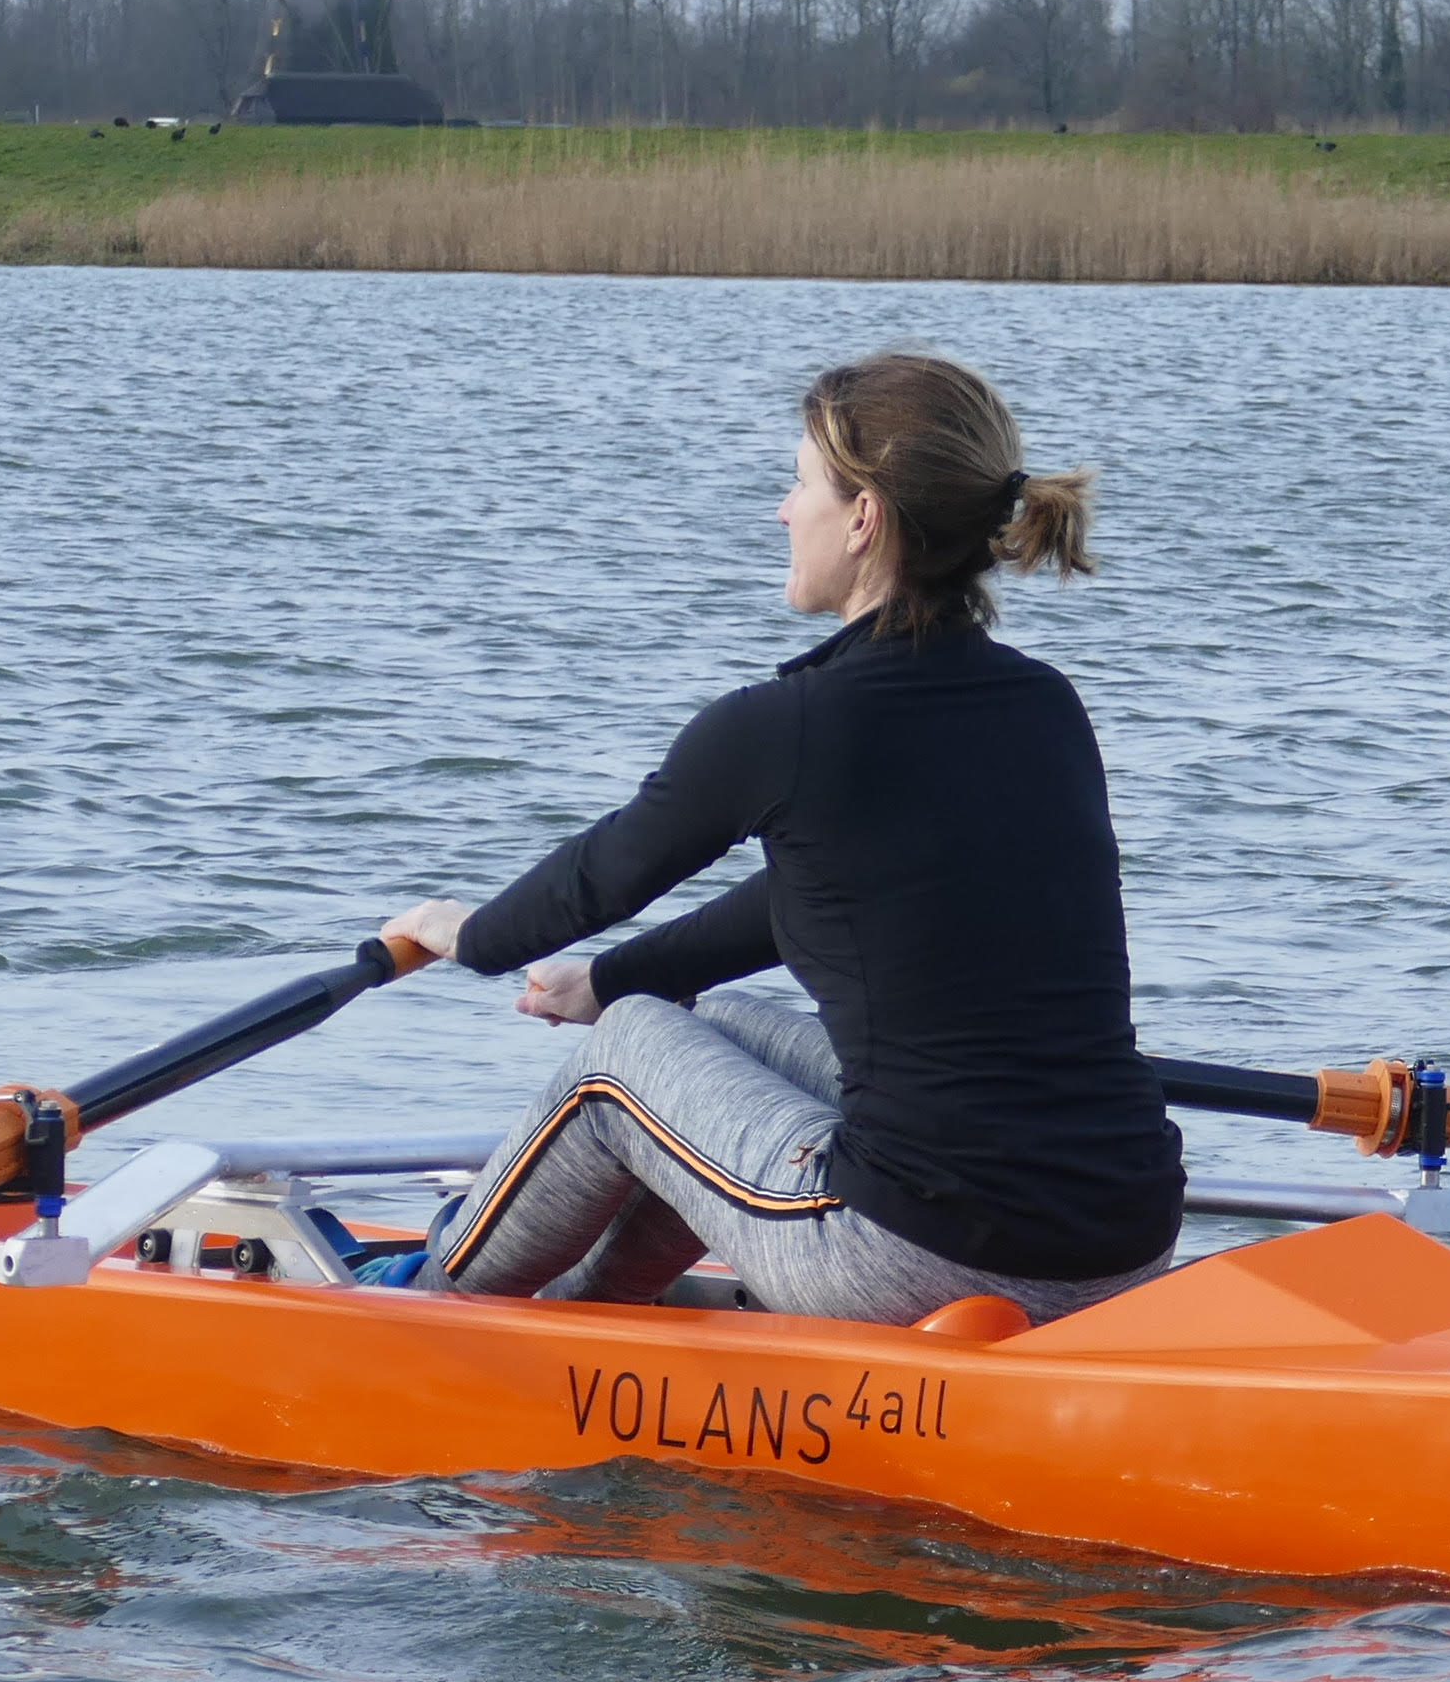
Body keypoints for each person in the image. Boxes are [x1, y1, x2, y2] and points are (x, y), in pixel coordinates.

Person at [377, 353, 1183, 1326]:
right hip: (1127, 1232)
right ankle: (604, 1318)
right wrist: (608, 977)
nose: (781, 510)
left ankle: (420, 1309)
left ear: (864, 517)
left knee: (623, 1053)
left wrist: (465, 933)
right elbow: (824, 893)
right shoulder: (1044, 705)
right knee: (694, 1023)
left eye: (800, 484)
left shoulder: (786, 726)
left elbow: (598, 879)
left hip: (919, 1254)